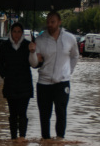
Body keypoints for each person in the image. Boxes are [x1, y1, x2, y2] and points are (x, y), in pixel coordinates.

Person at [28, 11, 79, 139]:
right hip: (44, 83)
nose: (50, 24)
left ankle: (60, 142)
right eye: (48, 22)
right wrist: (32, 52)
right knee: (44, 115)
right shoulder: (40, 39)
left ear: (59, 22)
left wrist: (68, 72)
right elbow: (34, 64)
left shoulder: (69, 38)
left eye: (53, 22)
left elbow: (75, 56)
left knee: (61, 112)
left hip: (62, 83)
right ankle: (45, 142)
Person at [0, 22, 34, 140]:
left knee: (22, 112)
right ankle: (13, 138)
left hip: (25, 85)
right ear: (11, 33)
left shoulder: (28, 46)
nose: (16, 34)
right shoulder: (5, 46)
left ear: (22, 33)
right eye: (14, 31)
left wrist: (33, 51)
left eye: (19, 32)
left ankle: (22, 137)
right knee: (13, 113)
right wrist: (5, 76)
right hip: (10, 84)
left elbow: (34, 64)